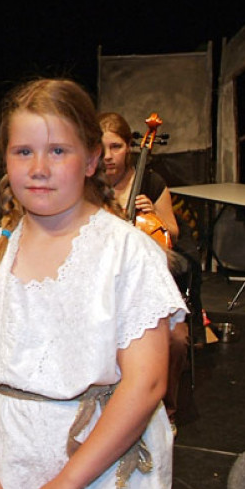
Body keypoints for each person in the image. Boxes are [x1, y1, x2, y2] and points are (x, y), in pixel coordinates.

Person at [0, 79, 187, 489]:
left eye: (58, 151)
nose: (39, 167)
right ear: (5, 159)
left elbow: (146, 382)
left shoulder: (127, 253)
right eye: (24, 151)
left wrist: (66, 485)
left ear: (92, 159)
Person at [99, 111, 201, 423]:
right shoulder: (89, 185)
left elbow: (173, 230)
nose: (108, 156)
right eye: (101, 148)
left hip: (151, 286)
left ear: (129, 147)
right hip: (105, 286)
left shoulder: (151, 181)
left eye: (115, 147)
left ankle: (165, 412)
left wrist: (154, 211)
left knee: (176, 339)